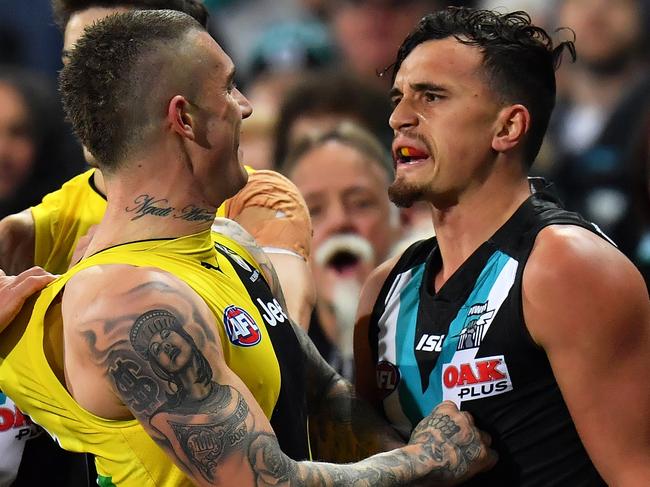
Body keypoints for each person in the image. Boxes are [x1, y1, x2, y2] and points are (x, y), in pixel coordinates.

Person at [0, 9, 496, 486]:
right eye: (228, 87)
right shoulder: (127, 304)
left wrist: (405, 452)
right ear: (185, 119)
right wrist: (428, 462)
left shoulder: (230, 243)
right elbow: (265, 483)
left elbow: (321, 396)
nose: (246, 105)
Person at [354, 7, 650, 486]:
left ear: (508, 127)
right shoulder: (384, 289)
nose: (399, 117)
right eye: (398, 97)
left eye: (431, 96)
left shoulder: (566, 268)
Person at [0, 0, 315, 328]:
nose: (87, 94)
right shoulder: (30, 233)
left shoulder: (256, 199)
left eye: (111, 69)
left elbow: (287, 347)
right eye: (73, 66)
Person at [284, 123, 402, 378]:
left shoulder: (437, 335)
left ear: (398, 222)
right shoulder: (276, 352)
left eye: (361, 204)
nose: (339, 221)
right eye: (314, 210)